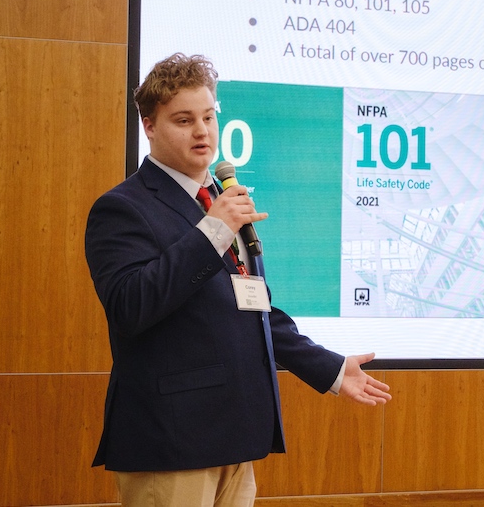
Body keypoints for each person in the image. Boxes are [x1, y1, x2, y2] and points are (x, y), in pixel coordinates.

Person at [85, 53, 391, 506]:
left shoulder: (222, 200)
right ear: (149, 126)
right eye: (184, 120)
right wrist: (213, 230)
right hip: (172, 439)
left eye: (209, 116)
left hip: (235, 436)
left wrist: (327, 367)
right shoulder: (124, 208)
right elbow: (131, 306)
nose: (203, 131)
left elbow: (252, 308)